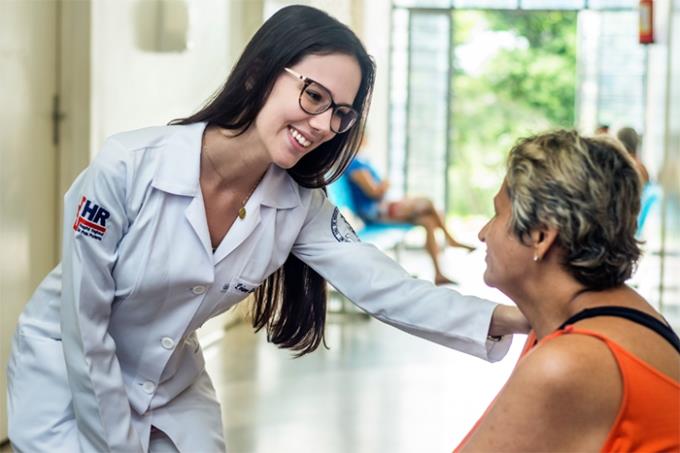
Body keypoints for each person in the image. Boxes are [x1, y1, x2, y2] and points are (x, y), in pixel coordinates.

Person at [7, 5, 528, 453]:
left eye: (341, 113)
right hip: (67, 373)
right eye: (314, 96)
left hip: (170, 383)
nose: (325, 125)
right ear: (258, 74)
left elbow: (389, 289)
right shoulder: (127, 166)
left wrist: (522, 316)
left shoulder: (298, 205)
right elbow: (85, 322)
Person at [455, 130, 679, 452]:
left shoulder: (570, 362)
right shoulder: (613, 319)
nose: (482, 233)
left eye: (497, 214)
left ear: (541, 235)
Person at [346, 151, 475, 285]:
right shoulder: (355, 164)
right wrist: (385, 184)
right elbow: (375, 193)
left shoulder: (361, 162)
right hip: (376, 213)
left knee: (429, 222)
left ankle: (439, 274)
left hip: (383, 209)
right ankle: (451, 240)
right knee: (427, 203)